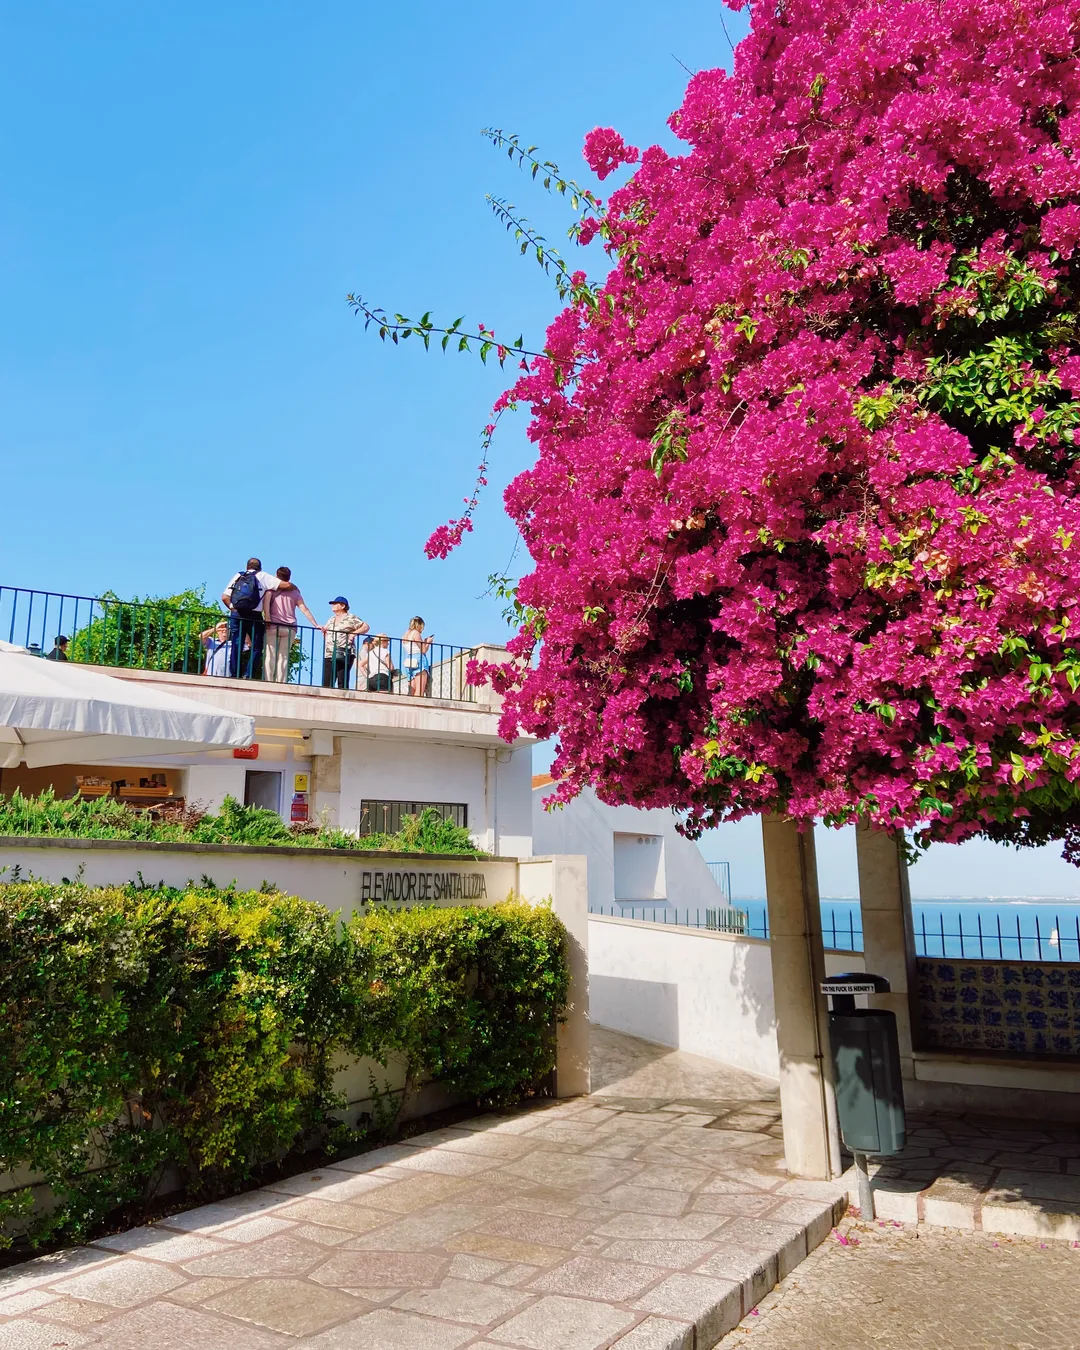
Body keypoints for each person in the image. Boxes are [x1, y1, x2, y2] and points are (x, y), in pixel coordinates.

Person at [220, 558, 294, 680]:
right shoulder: (263, 576)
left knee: (236, 644)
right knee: (257, 646)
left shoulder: (239, 575)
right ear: (260, 567)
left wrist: (232, 608)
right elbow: (286, 585)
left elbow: (224, 597)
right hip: (254, 616)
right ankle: (248, 675)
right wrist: (293, 586)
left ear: (247, 567)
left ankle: (234, 674)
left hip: (237, 614)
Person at [264, 566, 321, 684]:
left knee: (270, 655)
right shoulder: (295, 593)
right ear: (289, 577)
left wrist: (268, 618)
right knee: (283, 656)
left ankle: (268, 681)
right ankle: (281, 682)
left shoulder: (271, 590)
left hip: (273, 624)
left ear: (276, 576)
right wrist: (315, 624)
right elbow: (304, 609)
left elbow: (265, 604)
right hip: (290, 627)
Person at [322, 597, 369, 688]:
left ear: (343, 606)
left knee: (342, 679)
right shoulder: (331, 619)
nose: (333, 606)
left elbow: (366, 627)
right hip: (329, 653)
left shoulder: (351, 617)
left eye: (335, 604)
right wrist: (324, 632)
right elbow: (326, 634)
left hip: (344, 652)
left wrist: (353, 634)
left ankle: (342, 698)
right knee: (327, 682)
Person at [401, 616, 433, 696]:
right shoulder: (416, 633)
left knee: (411, 691)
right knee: (419, 691)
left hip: (409, 660)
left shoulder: (405, 634)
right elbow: (423, 650)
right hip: (419, 660)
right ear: (419, 625)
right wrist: (428, 642)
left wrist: (424, 642)